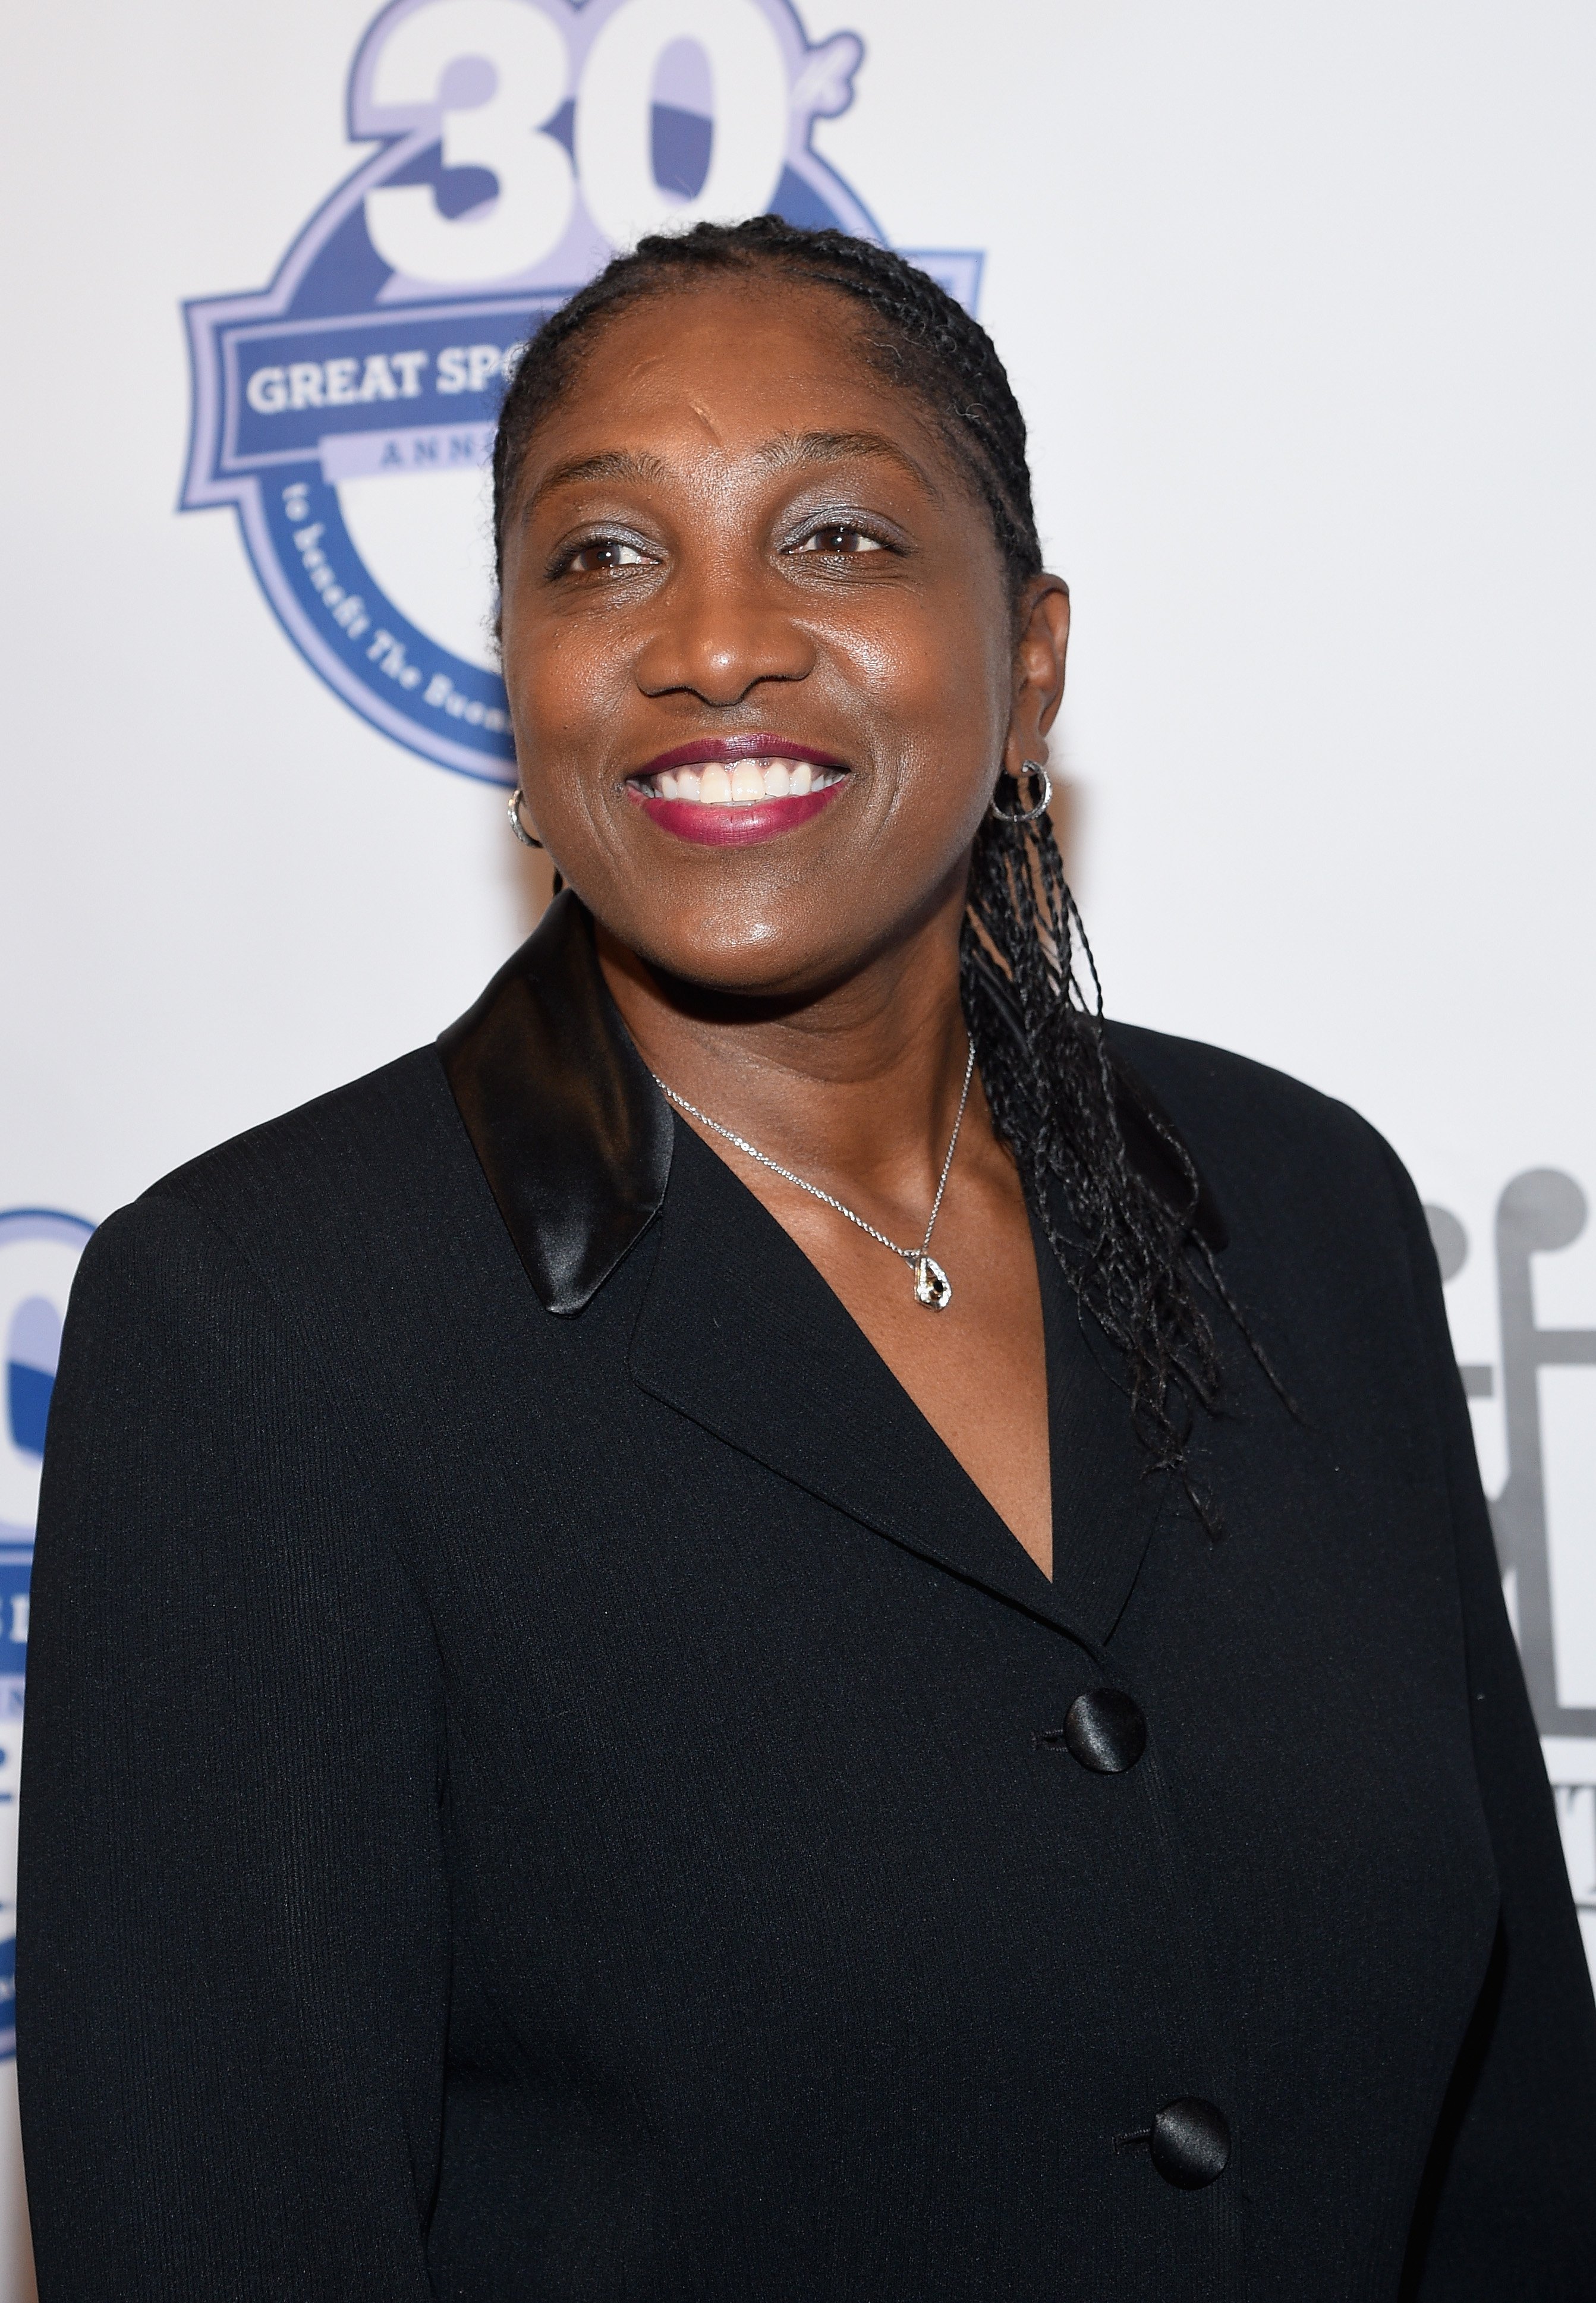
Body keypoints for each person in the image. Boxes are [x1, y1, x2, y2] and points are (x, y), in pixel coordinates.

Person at [17, 218, 1596, 2301]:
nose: (716, 641)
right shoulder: (262, 1326)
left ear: (1030, 660)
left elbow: (1516, 2150)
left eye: (837, 536)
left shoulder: (1302, 1208)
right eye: (602, 557)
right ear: (515, 677)